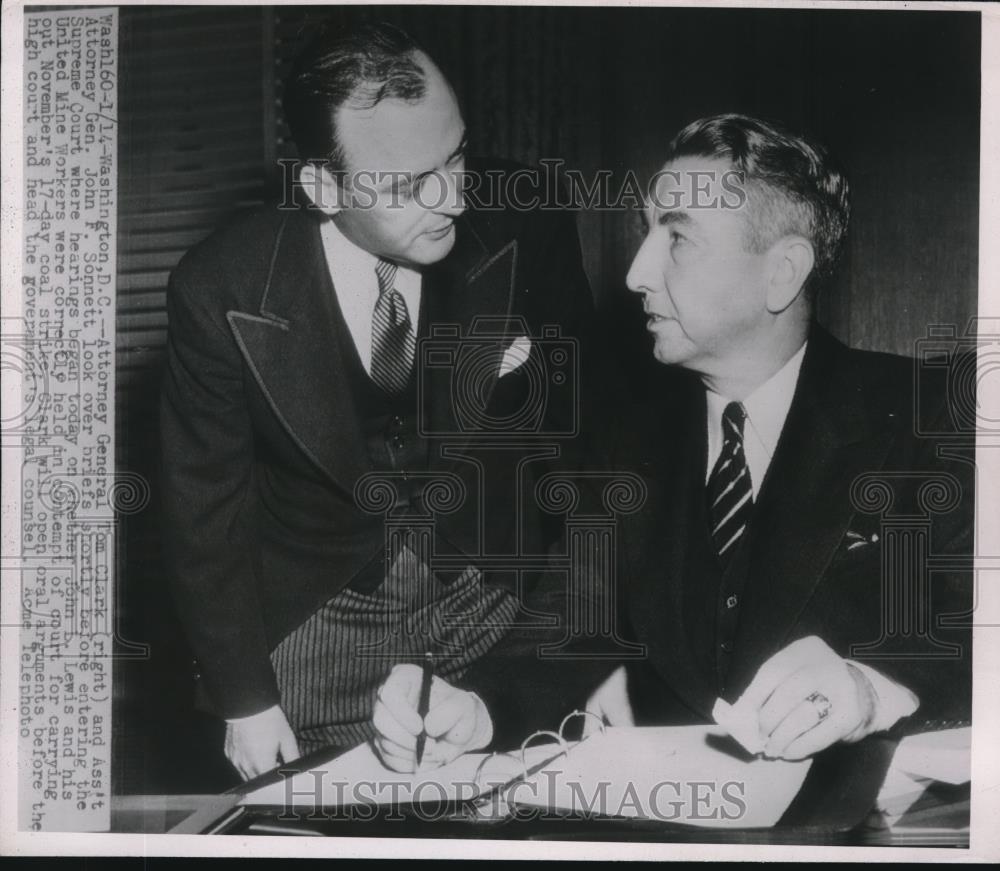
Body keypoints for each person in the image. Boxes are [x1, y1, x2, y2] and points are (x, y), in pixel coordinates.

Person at [373, 113, 973, 771]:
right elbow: (573, 619)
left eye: (678, 238)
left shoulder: (930, 418)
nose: (635, 273)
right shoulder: (625, 437)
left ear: (783, 272)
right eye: (645, 230)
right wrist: (478, 709)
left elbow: (976, 636)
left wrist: (869, 690)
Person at [160, 21, 593, 780]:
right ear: (322, 188)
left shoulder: (530, 223)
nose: (453, 200)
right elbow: (205, 506)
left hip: (487, 608)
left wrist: (561, 644)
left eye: (455, 156)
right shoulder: (218, 286)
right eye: (404, 185)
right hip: (314, 630)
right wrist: (243, 700)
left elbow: (590, 446)